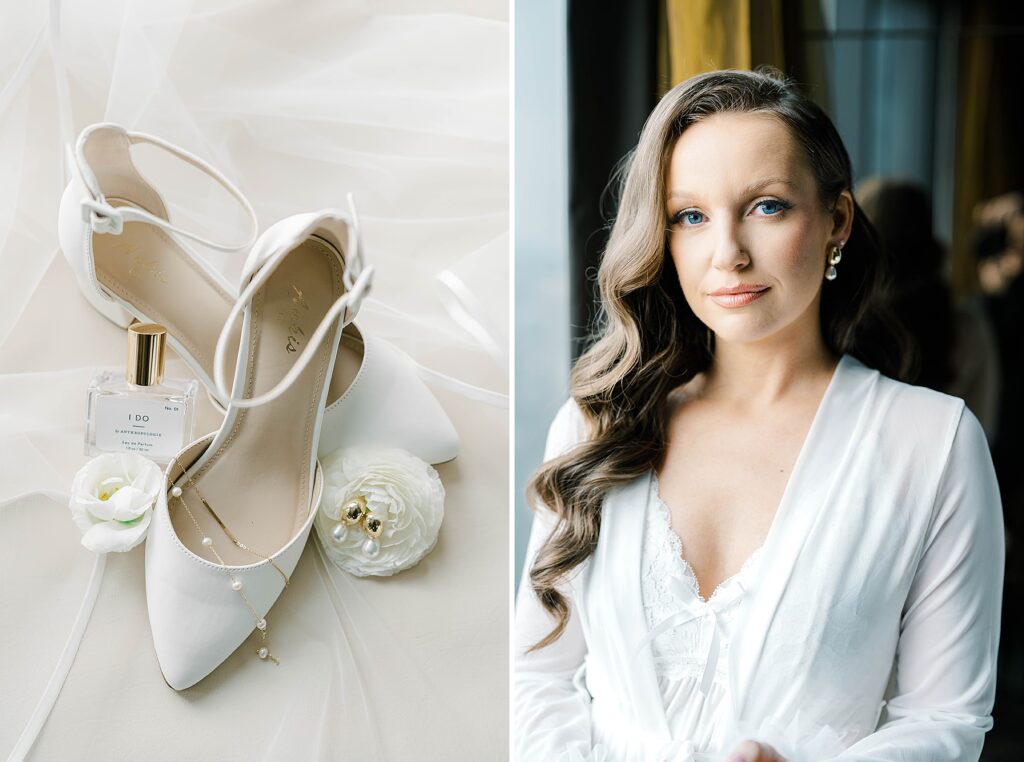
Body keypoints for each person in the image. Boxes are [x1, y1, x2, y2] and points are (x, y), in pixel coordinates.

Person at [514, 68, 1004, 762]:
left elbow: (947, 718)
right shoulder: (597, 425)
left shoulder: (933, 444)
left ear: (836, 220)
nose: (728, 254)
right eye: (690, 216)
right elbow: (537, 676)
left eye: (766, 207)